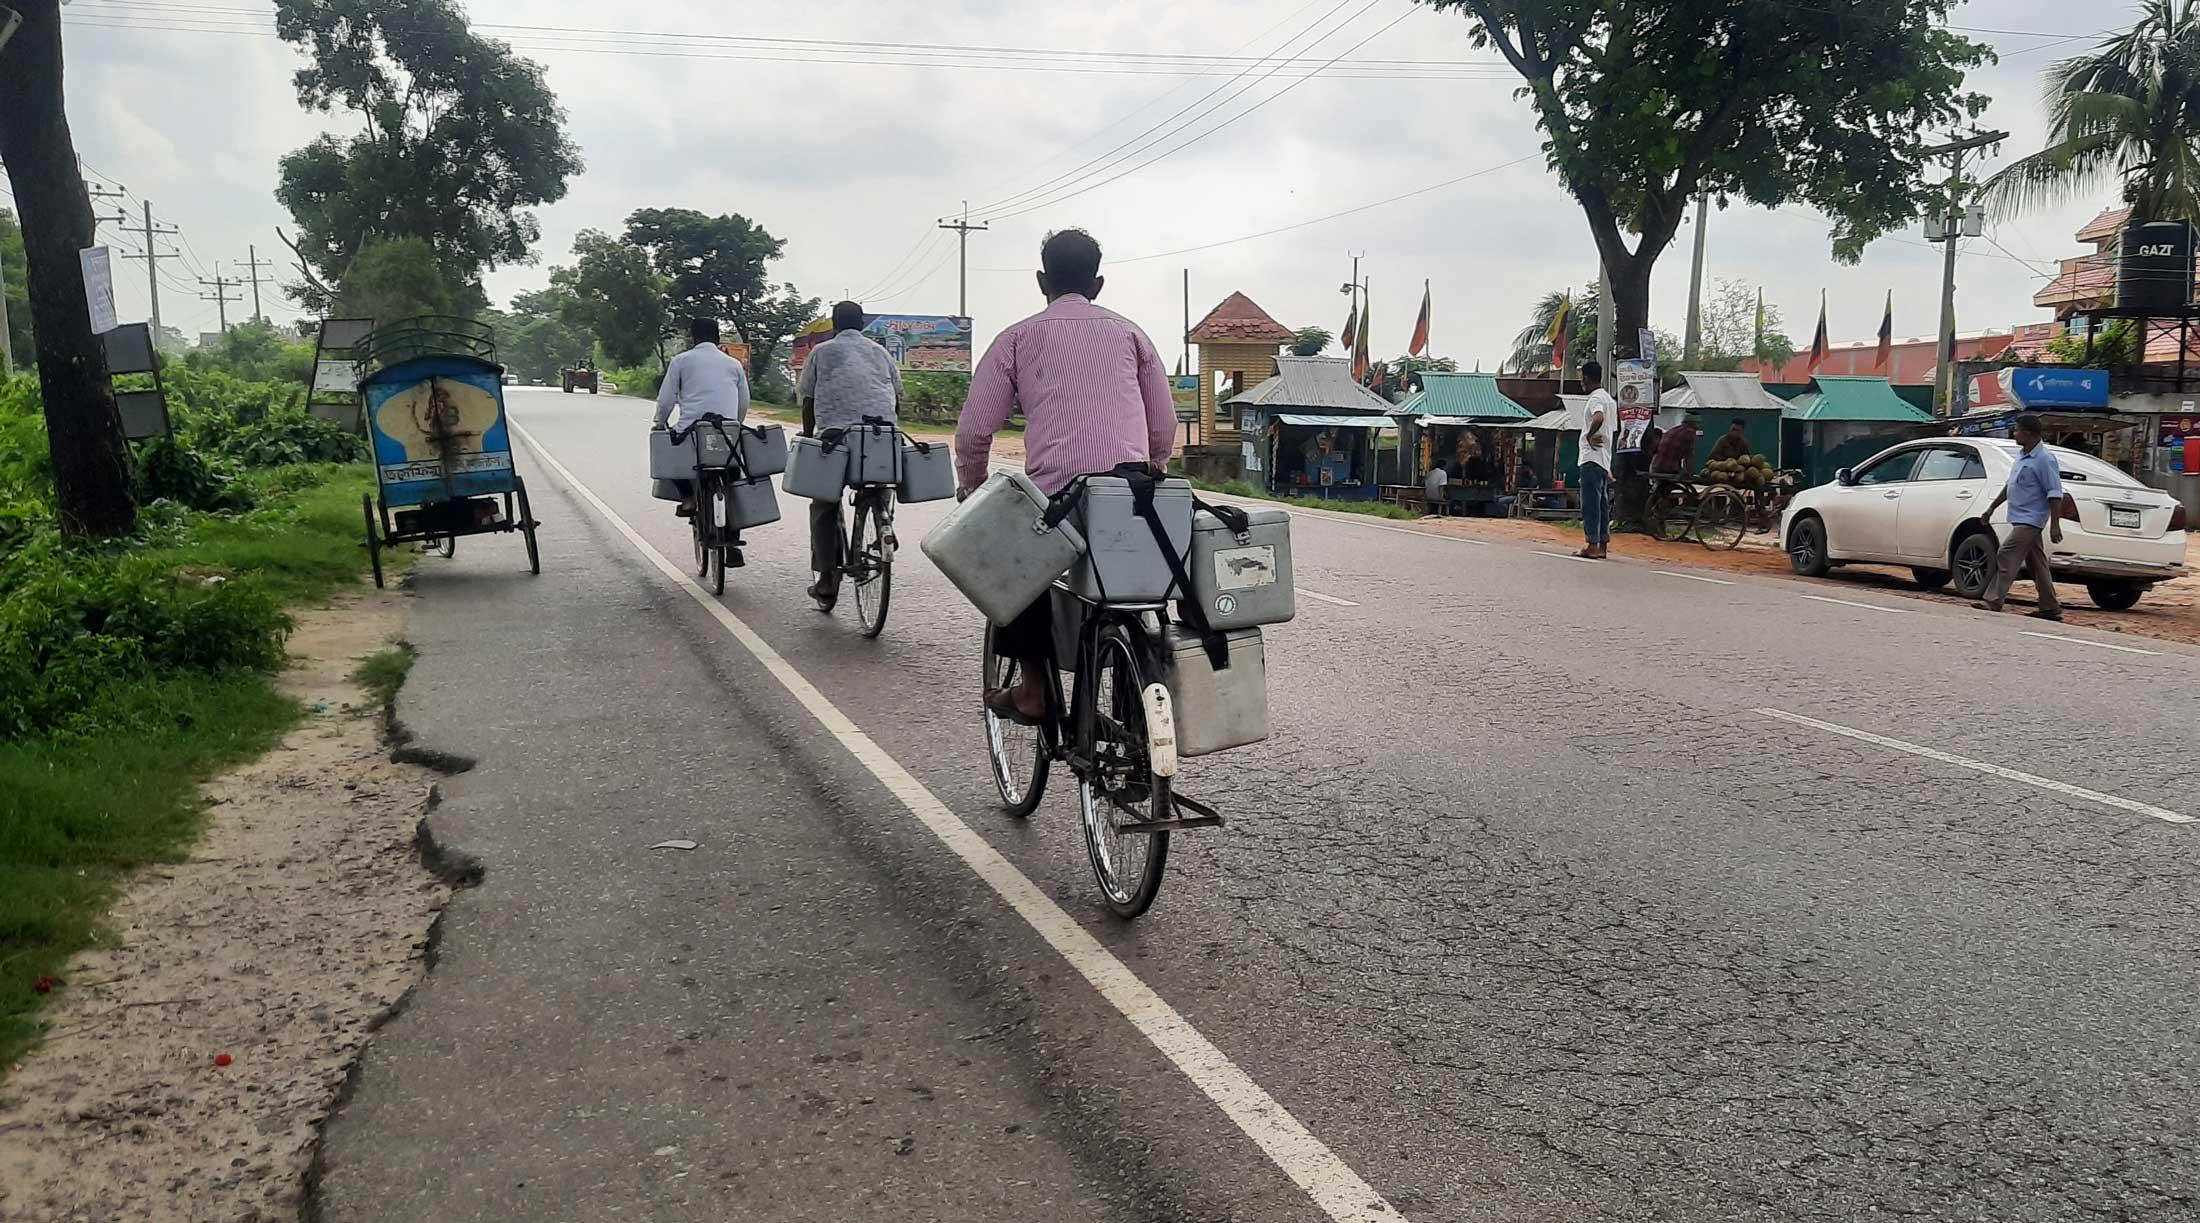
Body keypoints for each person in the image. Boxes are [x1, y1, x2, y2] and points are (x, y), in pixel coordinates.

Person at [954, 227, 1177, 724]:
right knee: (1134, 593)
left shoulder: (1016, 338)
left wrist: (971, 487)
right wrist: (1152, 469)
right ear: (1097, 284)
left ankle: (1033, 689)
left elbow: (973, 432)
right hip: (1131, 491)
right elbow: (1163, 425)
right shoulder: (1132, 335)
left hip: (1056, 499)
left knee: (1013, 565)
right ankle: (1137, 724)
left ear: (1041, 281)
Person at [796, 299, 903, 611]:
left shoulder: (822, 352)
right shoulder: (881, 353)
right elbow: (895, 398)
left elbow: (808, 400)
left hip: (835, 436)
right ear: (863, 324)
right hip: (879, 436)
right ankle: (884, 519)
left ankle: (827, 580)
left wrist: (807, 436)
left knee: (824, 503)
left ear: (834, 323)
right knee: (878, 481)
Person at [653, 316, 752, 531]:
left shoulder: (681, 361)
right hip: (727, 432)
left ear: (693, 337)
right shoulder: (734, 365)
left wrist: (659, 423)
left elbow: (666, 400)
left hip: (691, 432)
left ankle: (688, 498)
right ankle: (733, 538)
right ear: (718, 338)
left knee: (669, 456)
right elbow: (744, 402)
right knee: (733, 474)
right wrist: (735, 425)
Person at [1974, 413, 2068, 620]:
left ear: (2028, 433)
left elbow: (2054, 493)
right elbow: (2011, 485)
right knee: (2037, 564)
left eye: (2017, 430)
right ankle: (2050, 607)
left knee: (2006, 553)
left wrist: (2055, 525)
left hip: (2032, 519)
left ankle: (1993, 600)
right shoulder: (2022, 456)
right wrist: (1991, 508)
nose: (2014, 433)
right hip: (2019, 517)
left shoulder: (2044, 459)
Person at [1576, 359, 1616, 558]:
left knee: (1591, 503)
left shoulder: (1595, 399)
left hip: (1591, 458)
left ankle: (1592, 544)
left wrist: (1589, 434)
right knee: (1602, 504)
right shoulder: (1610, 400)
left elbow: (1598, 418)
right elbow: (1611, 431)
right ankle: (1602, 545)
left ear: (1586, 377)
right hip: (1603, 460)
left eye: (1581, 377)